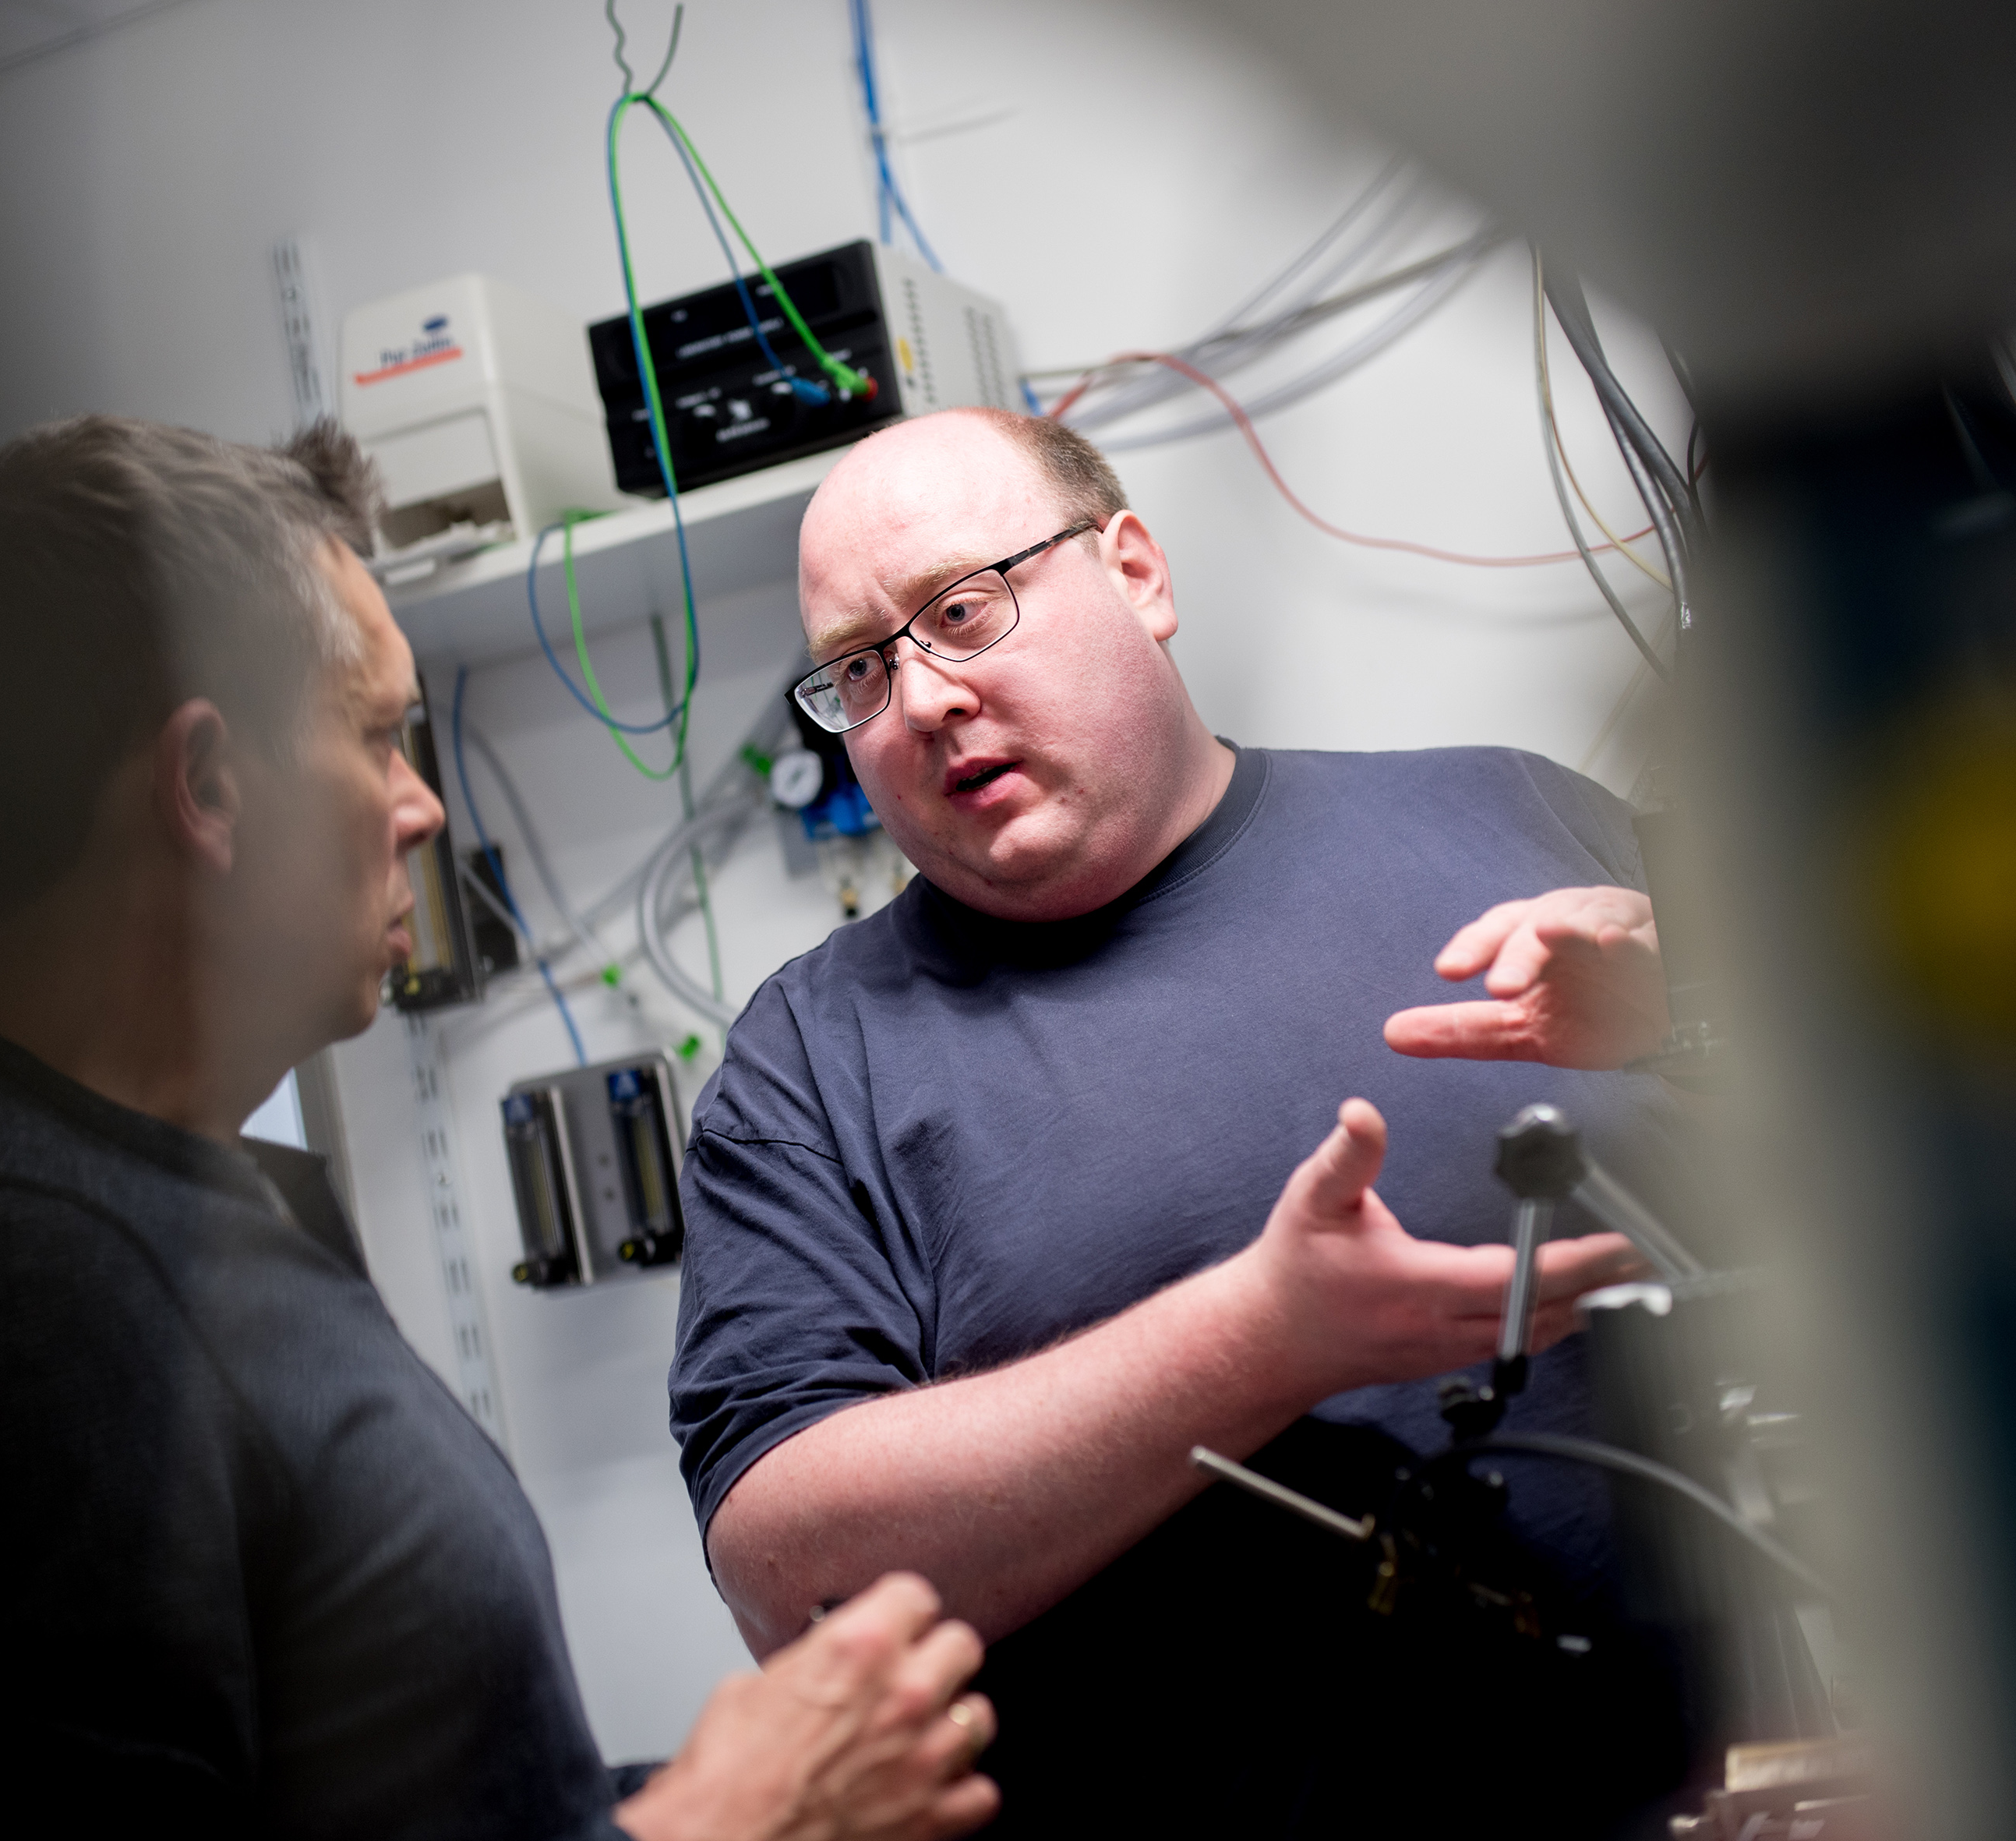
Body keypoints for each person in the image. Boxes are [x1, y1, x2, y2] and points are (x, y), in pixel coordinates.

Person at [0, 414, 1002, 1840]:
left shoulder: (142, 1201)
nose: (423, 808)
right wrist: (729, 1819)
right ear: (208, 785)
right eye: (378, 737)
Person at [669, 408, 1697, 1835]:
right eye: (860, 667)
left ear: (1138, 573)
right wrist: (1258, 1340)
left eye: (961, 610)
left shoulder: (1514, 816)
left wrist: (1712, 1009)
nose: (922, 699)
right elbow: (786, 1572)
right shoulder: (812, 1065)